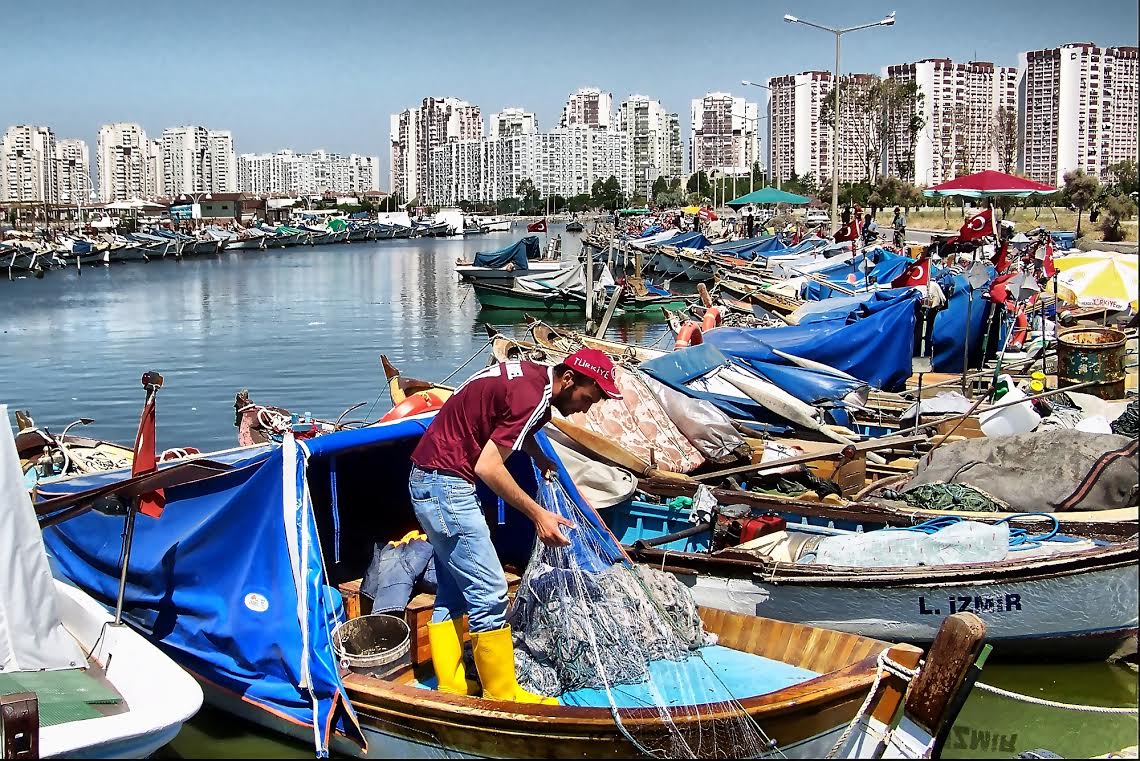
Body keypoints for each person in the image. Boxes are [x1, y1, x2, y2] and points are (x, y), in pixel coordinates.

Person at [408, 349, 621, 703]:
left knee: (455, 590)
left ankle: (453, 685)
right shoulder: (531, 395)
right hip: (447, 487)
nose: (587, 408)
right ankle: (502, 694)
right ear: (568, 380)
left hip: (429, 481)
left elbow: (517, 422)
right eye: (589, 397)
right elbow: (488, 468)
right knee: (491, 591)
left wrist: (540, 458)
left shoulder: (533, 380)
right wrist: (538, 514)